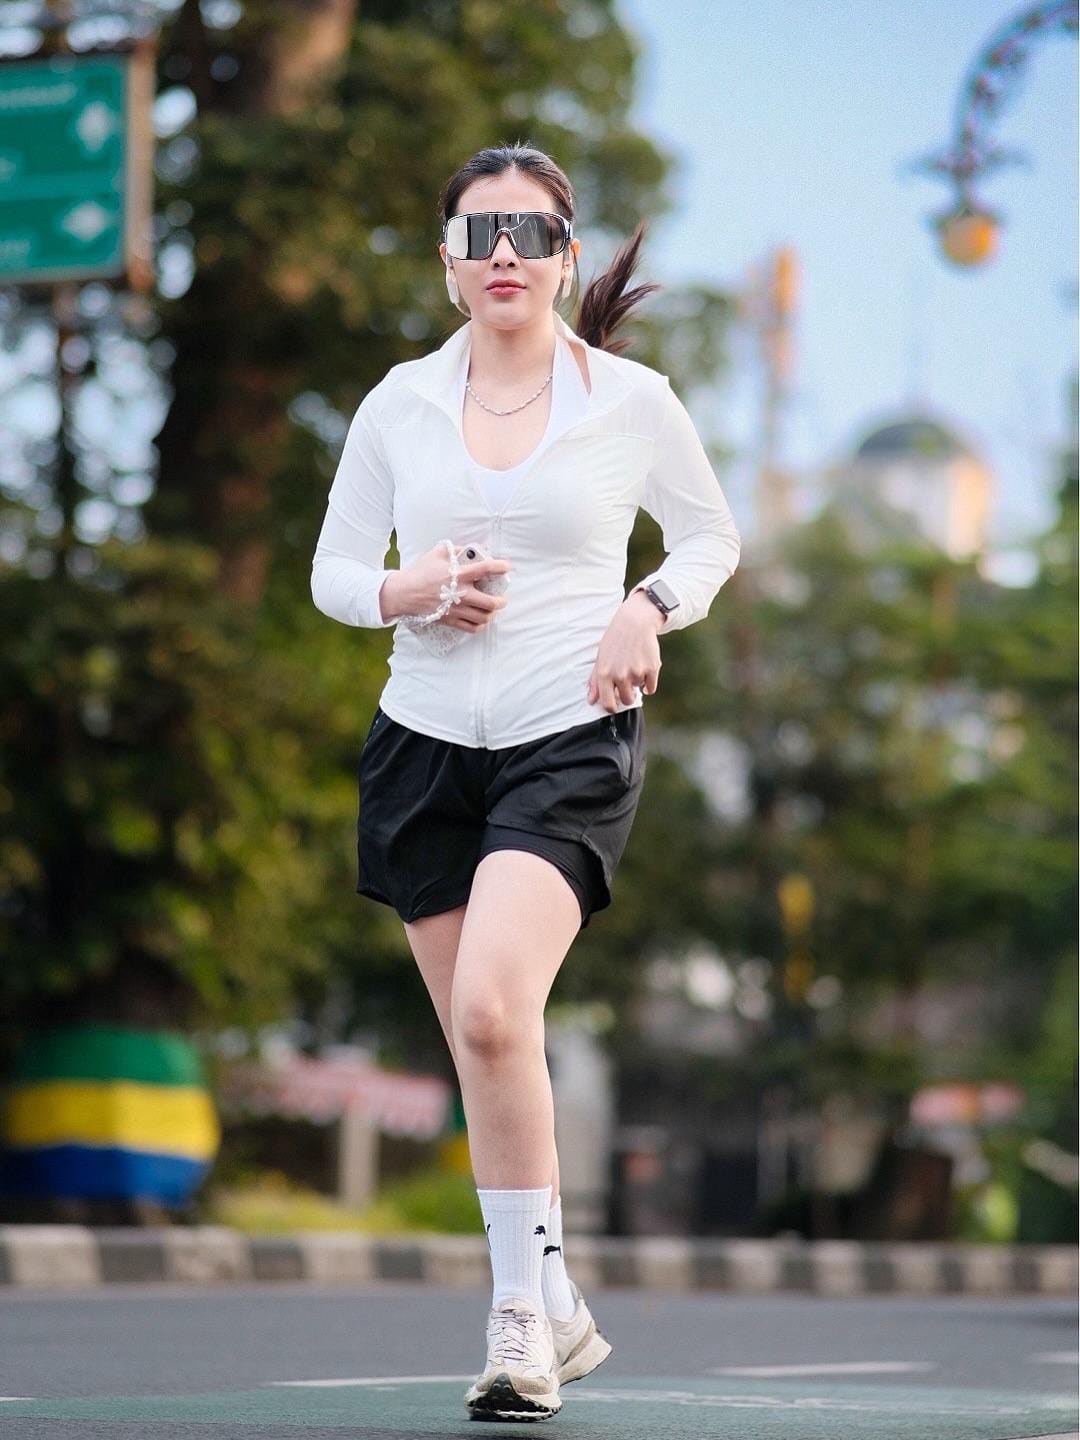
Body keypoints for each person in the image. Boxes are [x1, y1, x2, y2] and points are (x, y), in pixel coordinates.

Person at [311, 142, 741, 1422]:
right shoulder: (398, 404)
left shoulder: (632, 401)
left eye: (532, 233)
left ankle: (515, 1325)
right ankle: (554, 1294)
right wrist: (412, 589)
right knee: (479, 1041)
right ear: (448, 260)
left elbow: (710, 536)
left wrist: (646, 607)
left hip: (569, 735)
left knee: (497, 1013)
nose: (505, 252)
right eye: (480, 231)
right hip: (422, 745)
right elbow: (336, 574)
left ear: (564, 258)